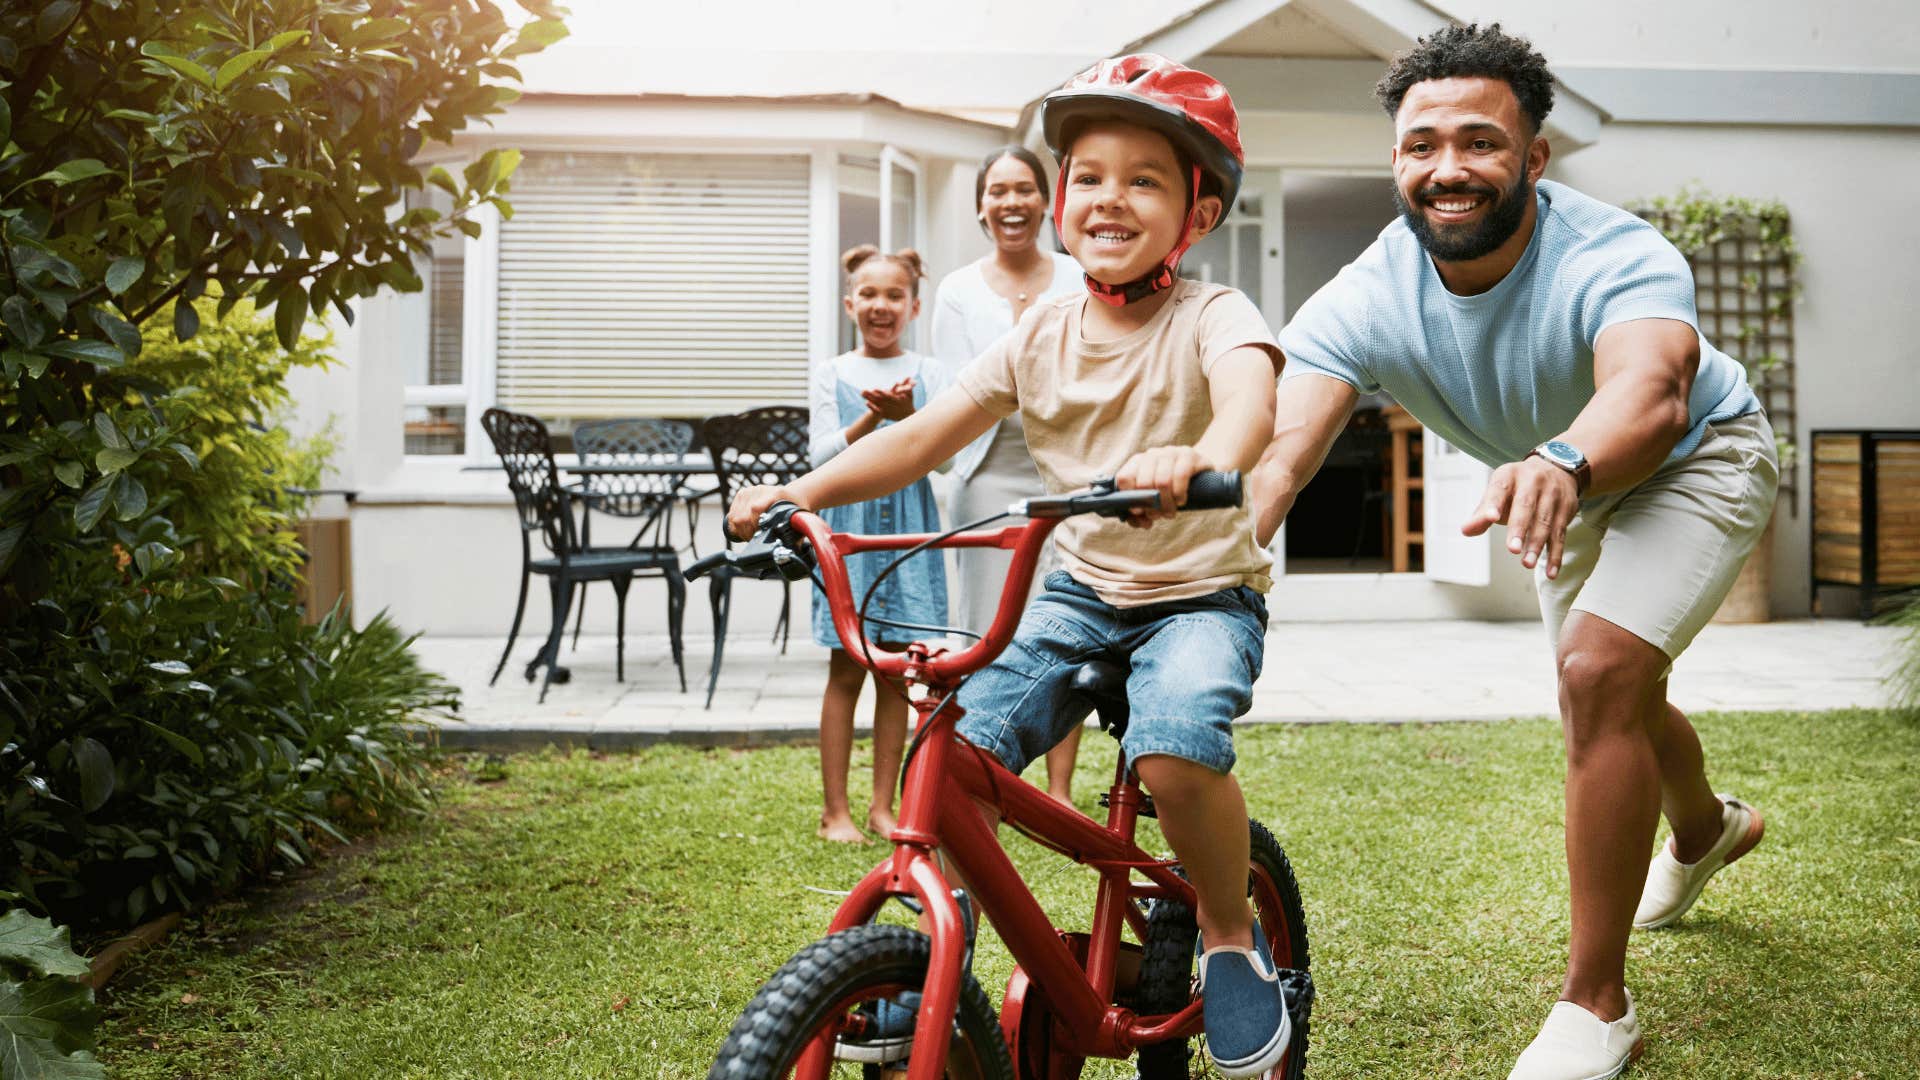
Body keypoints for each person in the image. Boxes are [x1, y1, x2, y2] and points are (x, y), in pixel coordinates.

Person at [730, 55, 1294, 1077]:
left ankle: (1224, 927)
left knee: (1171, 746)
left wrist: (1204, 460)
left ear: (1199, 213)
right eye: (1087, 174)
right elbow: (922, 439)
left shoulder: (1214, 316)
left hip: (1199, 593)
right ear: (1062, 196)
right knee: (955, 757)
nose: (1108, 197)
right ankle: (930, 967)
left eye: (1144, 179)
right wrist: (801, 493)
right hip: (1080, 593)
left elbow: (1252, 404)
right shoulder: (1041, 334)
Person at [1248, 25, 1778, 1080]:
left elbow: (1654, 390)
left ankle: (1596, 1005)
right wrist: (1229, 530)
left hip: (1695, 456)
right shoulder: (1366, 293)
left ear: (1534, 157)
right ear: (1396, 158)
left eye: (1481, 143)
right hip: (1564, 481)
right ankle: (1706, 826)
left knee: (1597, 672)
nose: (1448, 169)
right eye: (1421, 145)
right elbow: (1283, 450)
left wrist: (1566, 461)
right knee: (1609, 688)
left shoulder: (1614, 252)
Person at [930, 145, 1086, 808]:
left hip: (1067, 476)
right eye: (998, 191)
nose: (1011, 203)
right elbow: (956, 390)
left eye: (1024, 189)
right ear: (981, 207)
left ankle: (1058, 789)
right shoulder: (958, 290)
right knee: (984, 629)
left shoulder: (1080, 276)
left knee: (1069, 622)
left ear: (1045, 202)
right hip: (986, 474)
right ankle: (981, 774)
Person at [806, 244, 950, 844]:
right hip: (850, 537)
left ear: (913, 306)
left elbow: (945, 459)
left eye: (894, 295)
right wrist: (871, 420)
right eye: (868, 294)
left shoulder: (932, 373)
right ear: (849, 304)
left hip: (907, 538)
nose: (880, 305)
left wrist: (912, 414)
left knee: (899, 675)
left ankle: (882, 808)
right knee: (847, 669)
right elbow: (815, 459)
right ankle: (833, 810)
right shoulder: (832, 373)